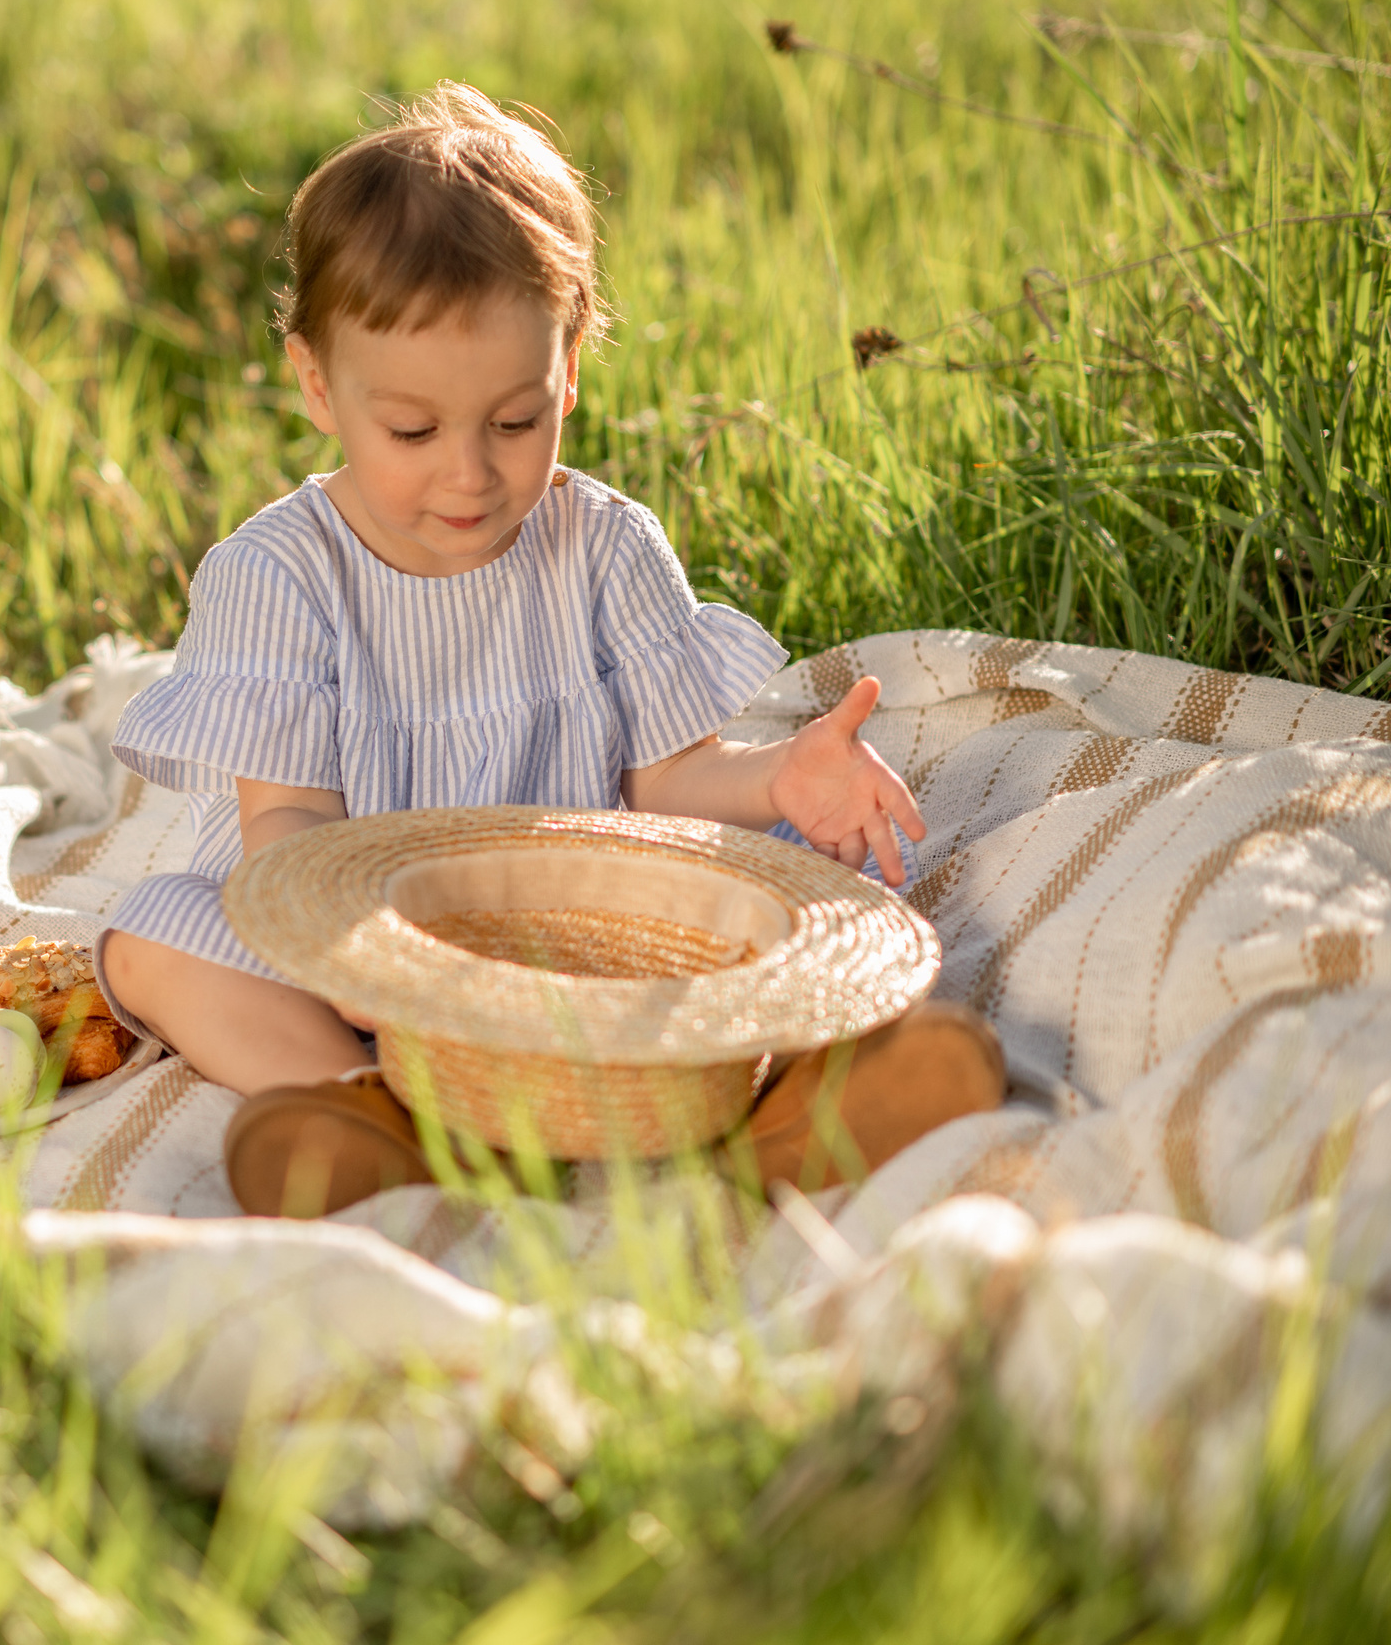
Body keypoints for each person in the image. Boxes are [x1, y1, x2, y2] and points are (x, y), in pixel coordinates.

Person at [93, 82, 1005, 1217]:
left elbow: (670, 786)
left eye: (516, 422)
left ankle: (779, 1109)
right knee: (155, 939)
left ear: (568, 367)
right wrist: (380, 962)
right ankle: (372, 1109)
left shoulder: (605, 547)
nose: (470, 474)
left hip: (581, 939)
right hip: (361, 957)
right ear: (318, 384)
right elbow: (287, 830)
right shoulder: (280, 576)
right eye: (413, 431)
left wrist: (780, 776)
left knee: (800, 902)